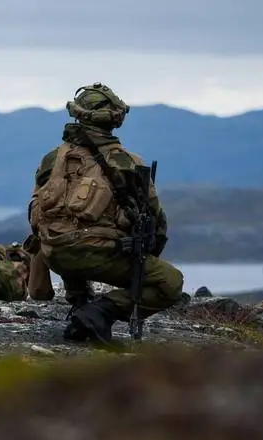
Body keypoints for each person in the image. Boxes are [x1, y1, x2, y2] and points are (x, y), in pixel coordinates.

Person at [27, 82, 184, 342]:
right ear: (115, 119)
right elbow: (157, 225)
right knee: (171, 283)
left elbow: (36, 212)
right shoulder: (127, 162)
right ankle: (100, 312)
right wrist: (143, 262)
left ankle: (79, 303)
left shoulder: (52, 159)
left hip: (54, 255)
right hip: (97, 256)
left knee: (66, 231)